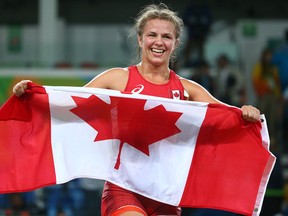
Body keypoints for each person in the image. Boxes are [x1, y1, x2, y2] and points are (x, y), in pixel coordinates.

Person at [12, 3, 260, 216]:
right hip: (123, 188)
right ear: (140, 39)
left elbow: (227, 117)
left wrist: (246, 112)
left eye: (166, 36)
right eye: (152, 35)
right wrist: (35, 93)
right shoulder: (118, 79)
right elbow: (69, 102)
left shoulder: (187, 90)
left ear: (175, 43)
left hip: (165, 193)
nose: (159, 42)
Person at [252, 48, 282, 149]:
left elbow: (277, 82)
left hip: (273, 96)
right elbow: (256, 81)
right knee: (262, 116)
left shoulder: (273, 68)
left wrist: (278, 96)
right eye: (267, 55)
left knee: (273, 118)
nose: (269, 58)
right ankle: (260, 138)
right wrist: (262, 91)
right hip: (264, 96)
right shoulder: (259, 67)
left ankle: (273, 140)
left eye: (270, 56)